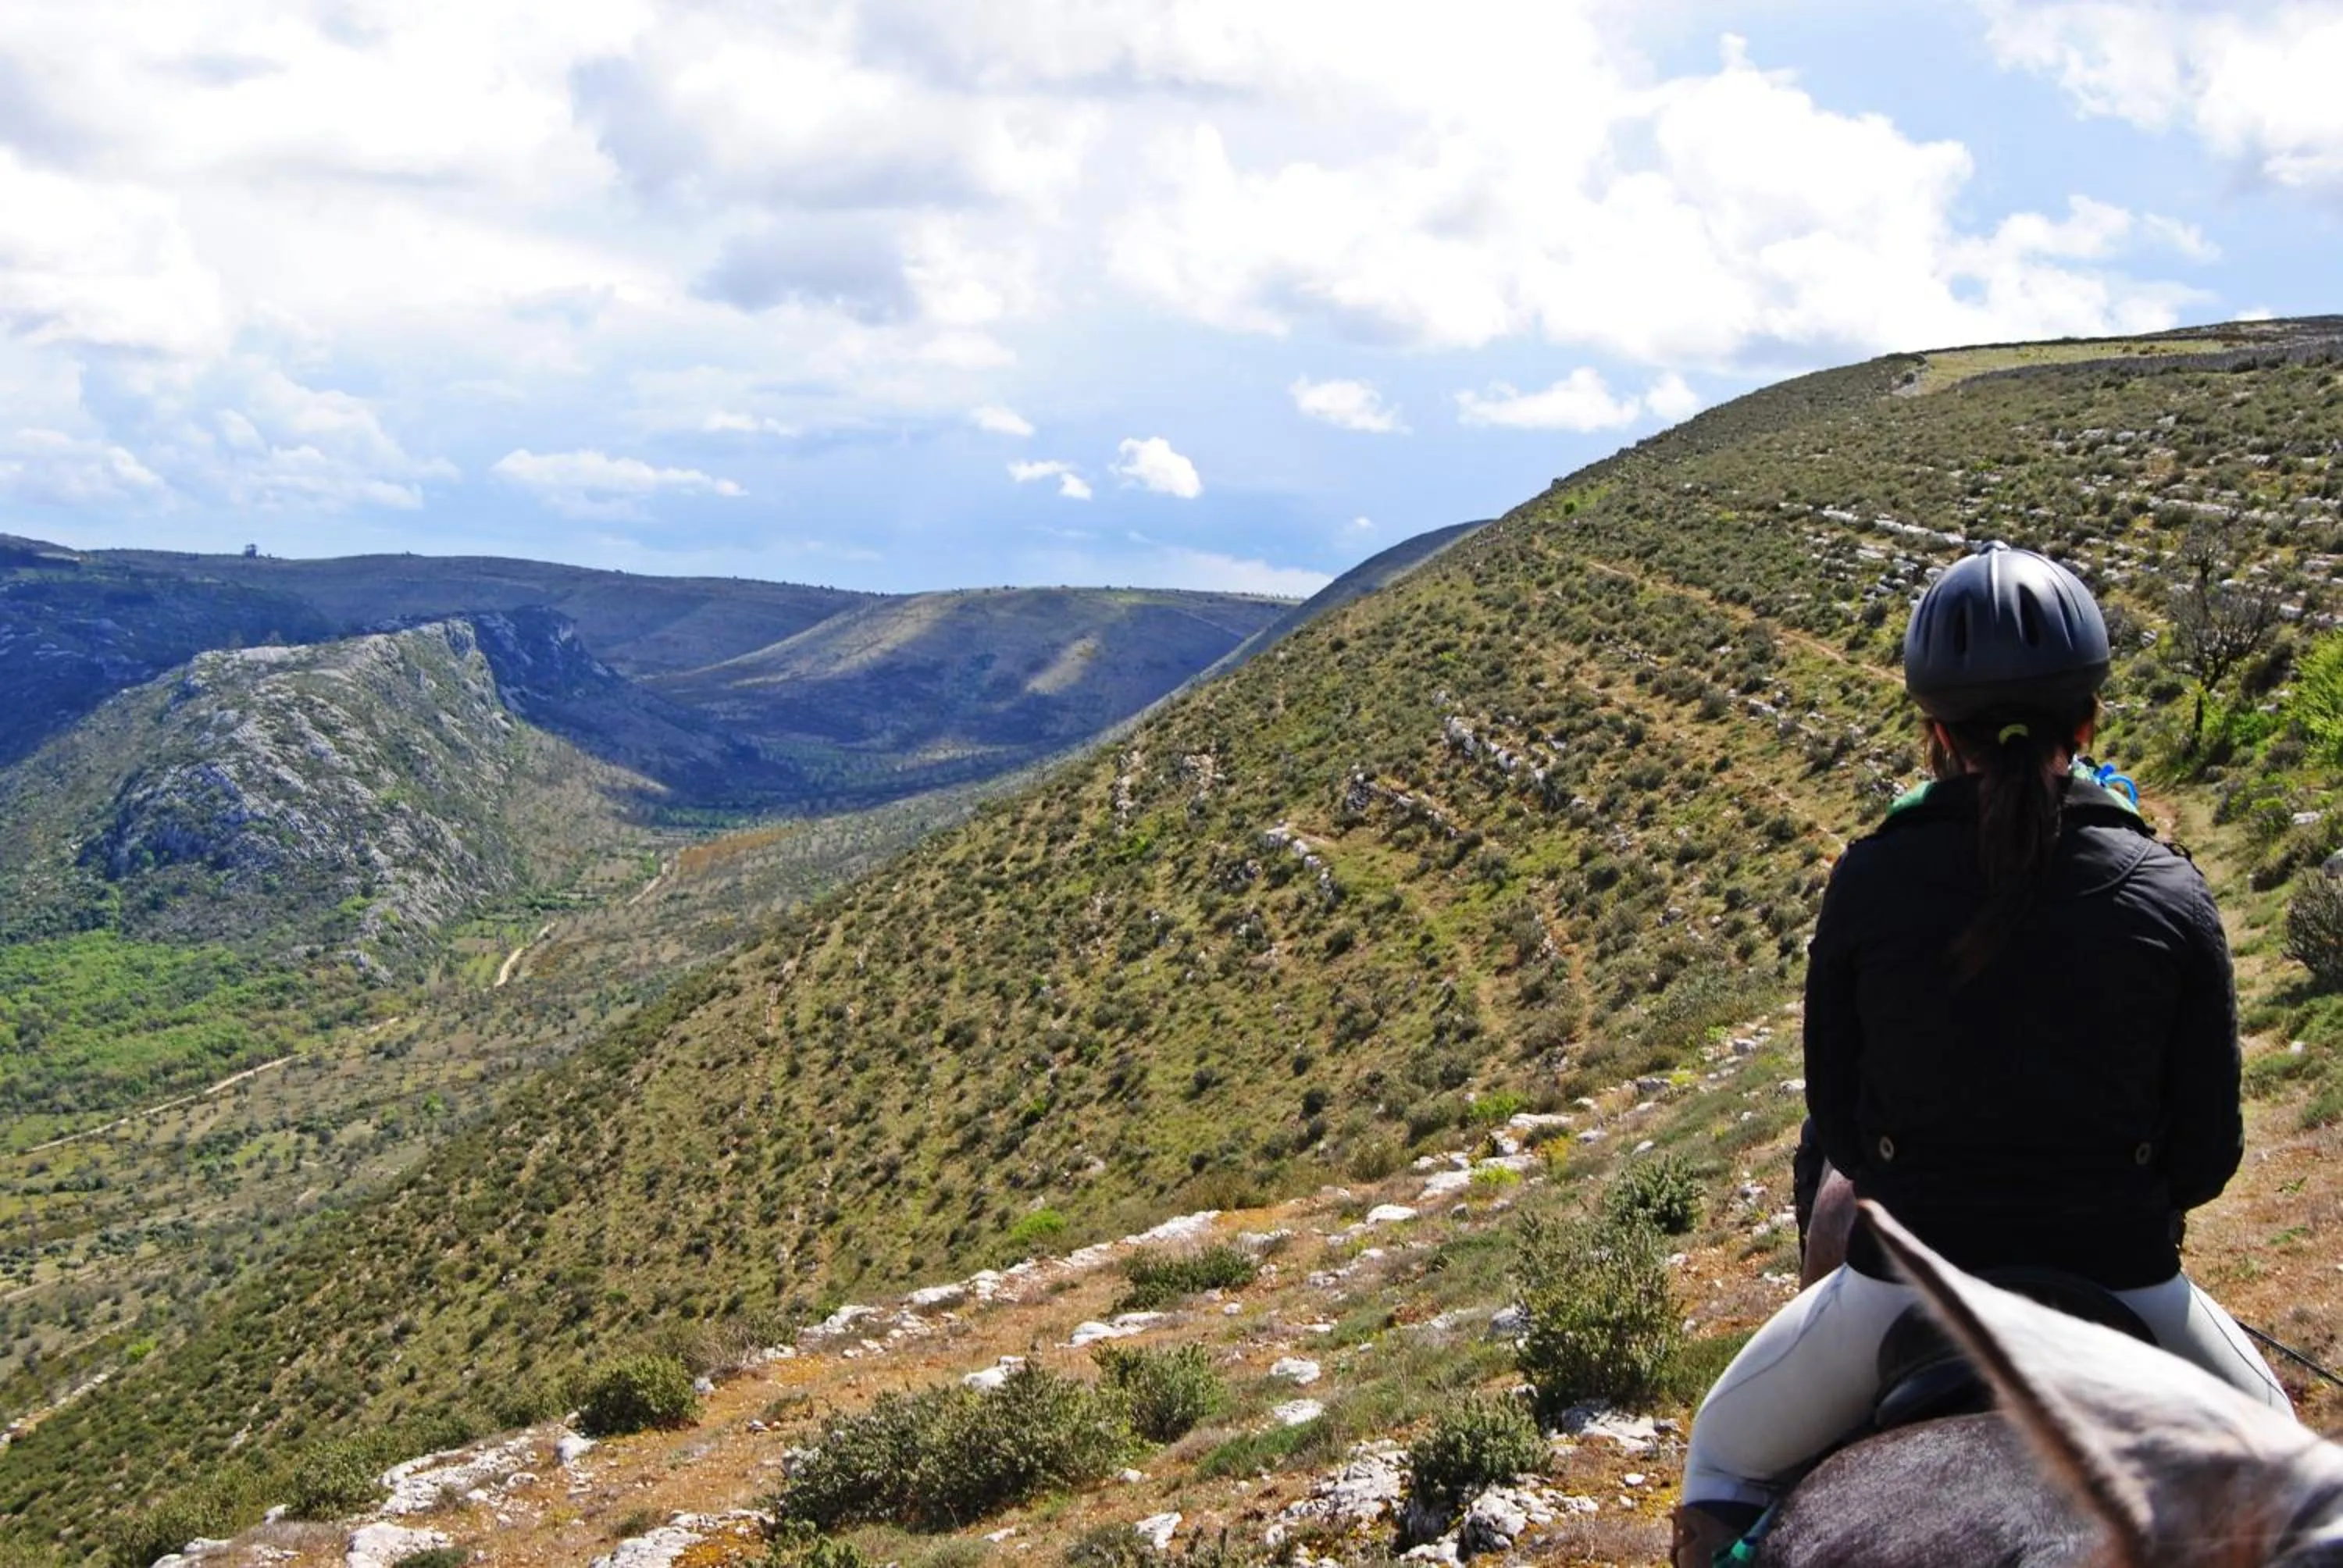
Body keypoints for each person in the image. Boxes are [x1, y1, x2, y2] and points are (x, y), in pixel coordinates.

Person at [1671, 543, 2293, 1568]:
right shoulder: (2170, 892)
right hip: (2128, 1285)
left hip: (1900, 1293)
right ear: (2087, 723)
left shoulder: (1870, 881)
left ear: (1936, 732)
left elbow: (1842, 1129)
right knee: (2290, 1479)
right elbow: (2207, 1157)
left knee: (1723, 1464)